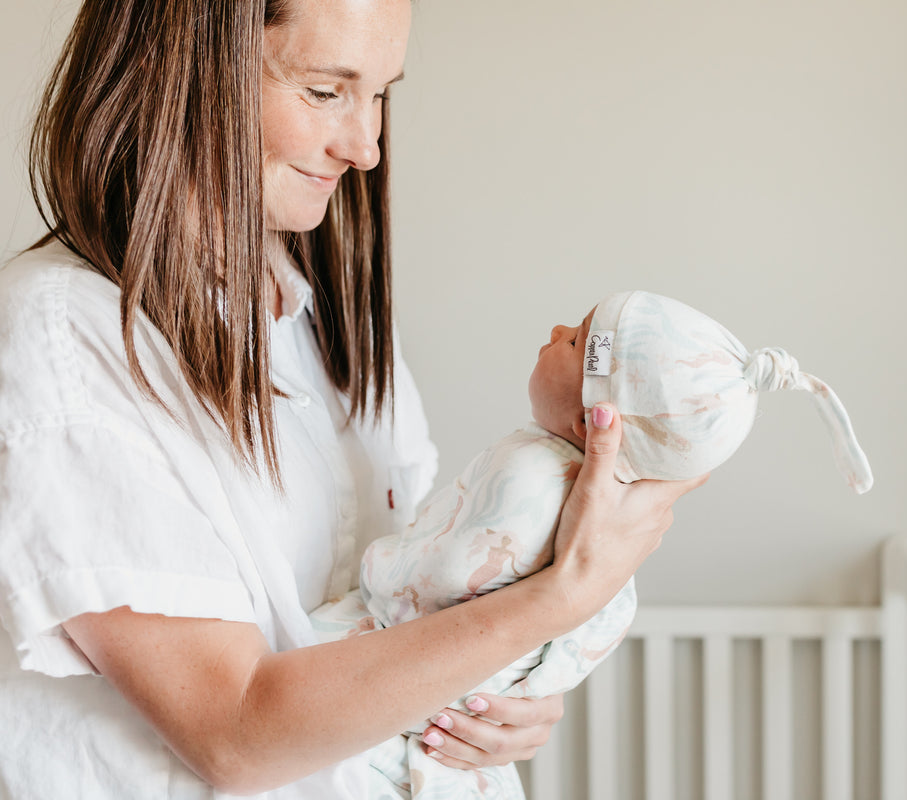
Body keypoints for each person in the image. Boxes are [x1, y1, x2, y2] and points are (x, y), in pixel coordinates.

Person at [0, 2, 704, 798]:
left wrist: (495, 695)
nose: (365, 147)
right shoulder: (65, 336)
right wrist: (554, 600)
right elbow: (234, 734)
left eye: (379, 95)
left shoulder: (325, 317)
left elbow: (407, 618)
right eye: (324, 91)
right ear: (182, 69)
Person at [309, 289, 873, 798]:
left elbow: (439, 578)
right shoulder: (616, 537)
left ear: (589, 421)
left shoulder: (531, 472)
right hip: (450, 717)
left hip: (398, 690)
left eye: (577, 340)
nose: (556, 331)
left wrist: (381, 566)